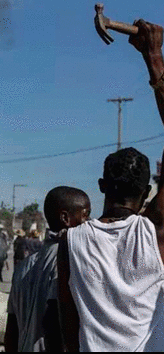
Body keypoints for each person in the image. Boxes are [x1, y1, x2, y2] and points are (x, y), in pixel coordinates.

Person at [57, 19, 164, 352]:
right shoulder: (156, 232)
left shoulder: (70, 242)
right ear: (147, 192)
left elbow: (68, 324)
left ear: (101, 186)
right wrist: (154, 57)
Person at [5, 186, 90, 352]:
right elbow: (55, 326)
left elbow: (11, 330)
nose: (89, 223)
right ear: (65, 218)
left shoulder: (23, 266)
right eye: (86, 215)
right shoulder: (69, 261)